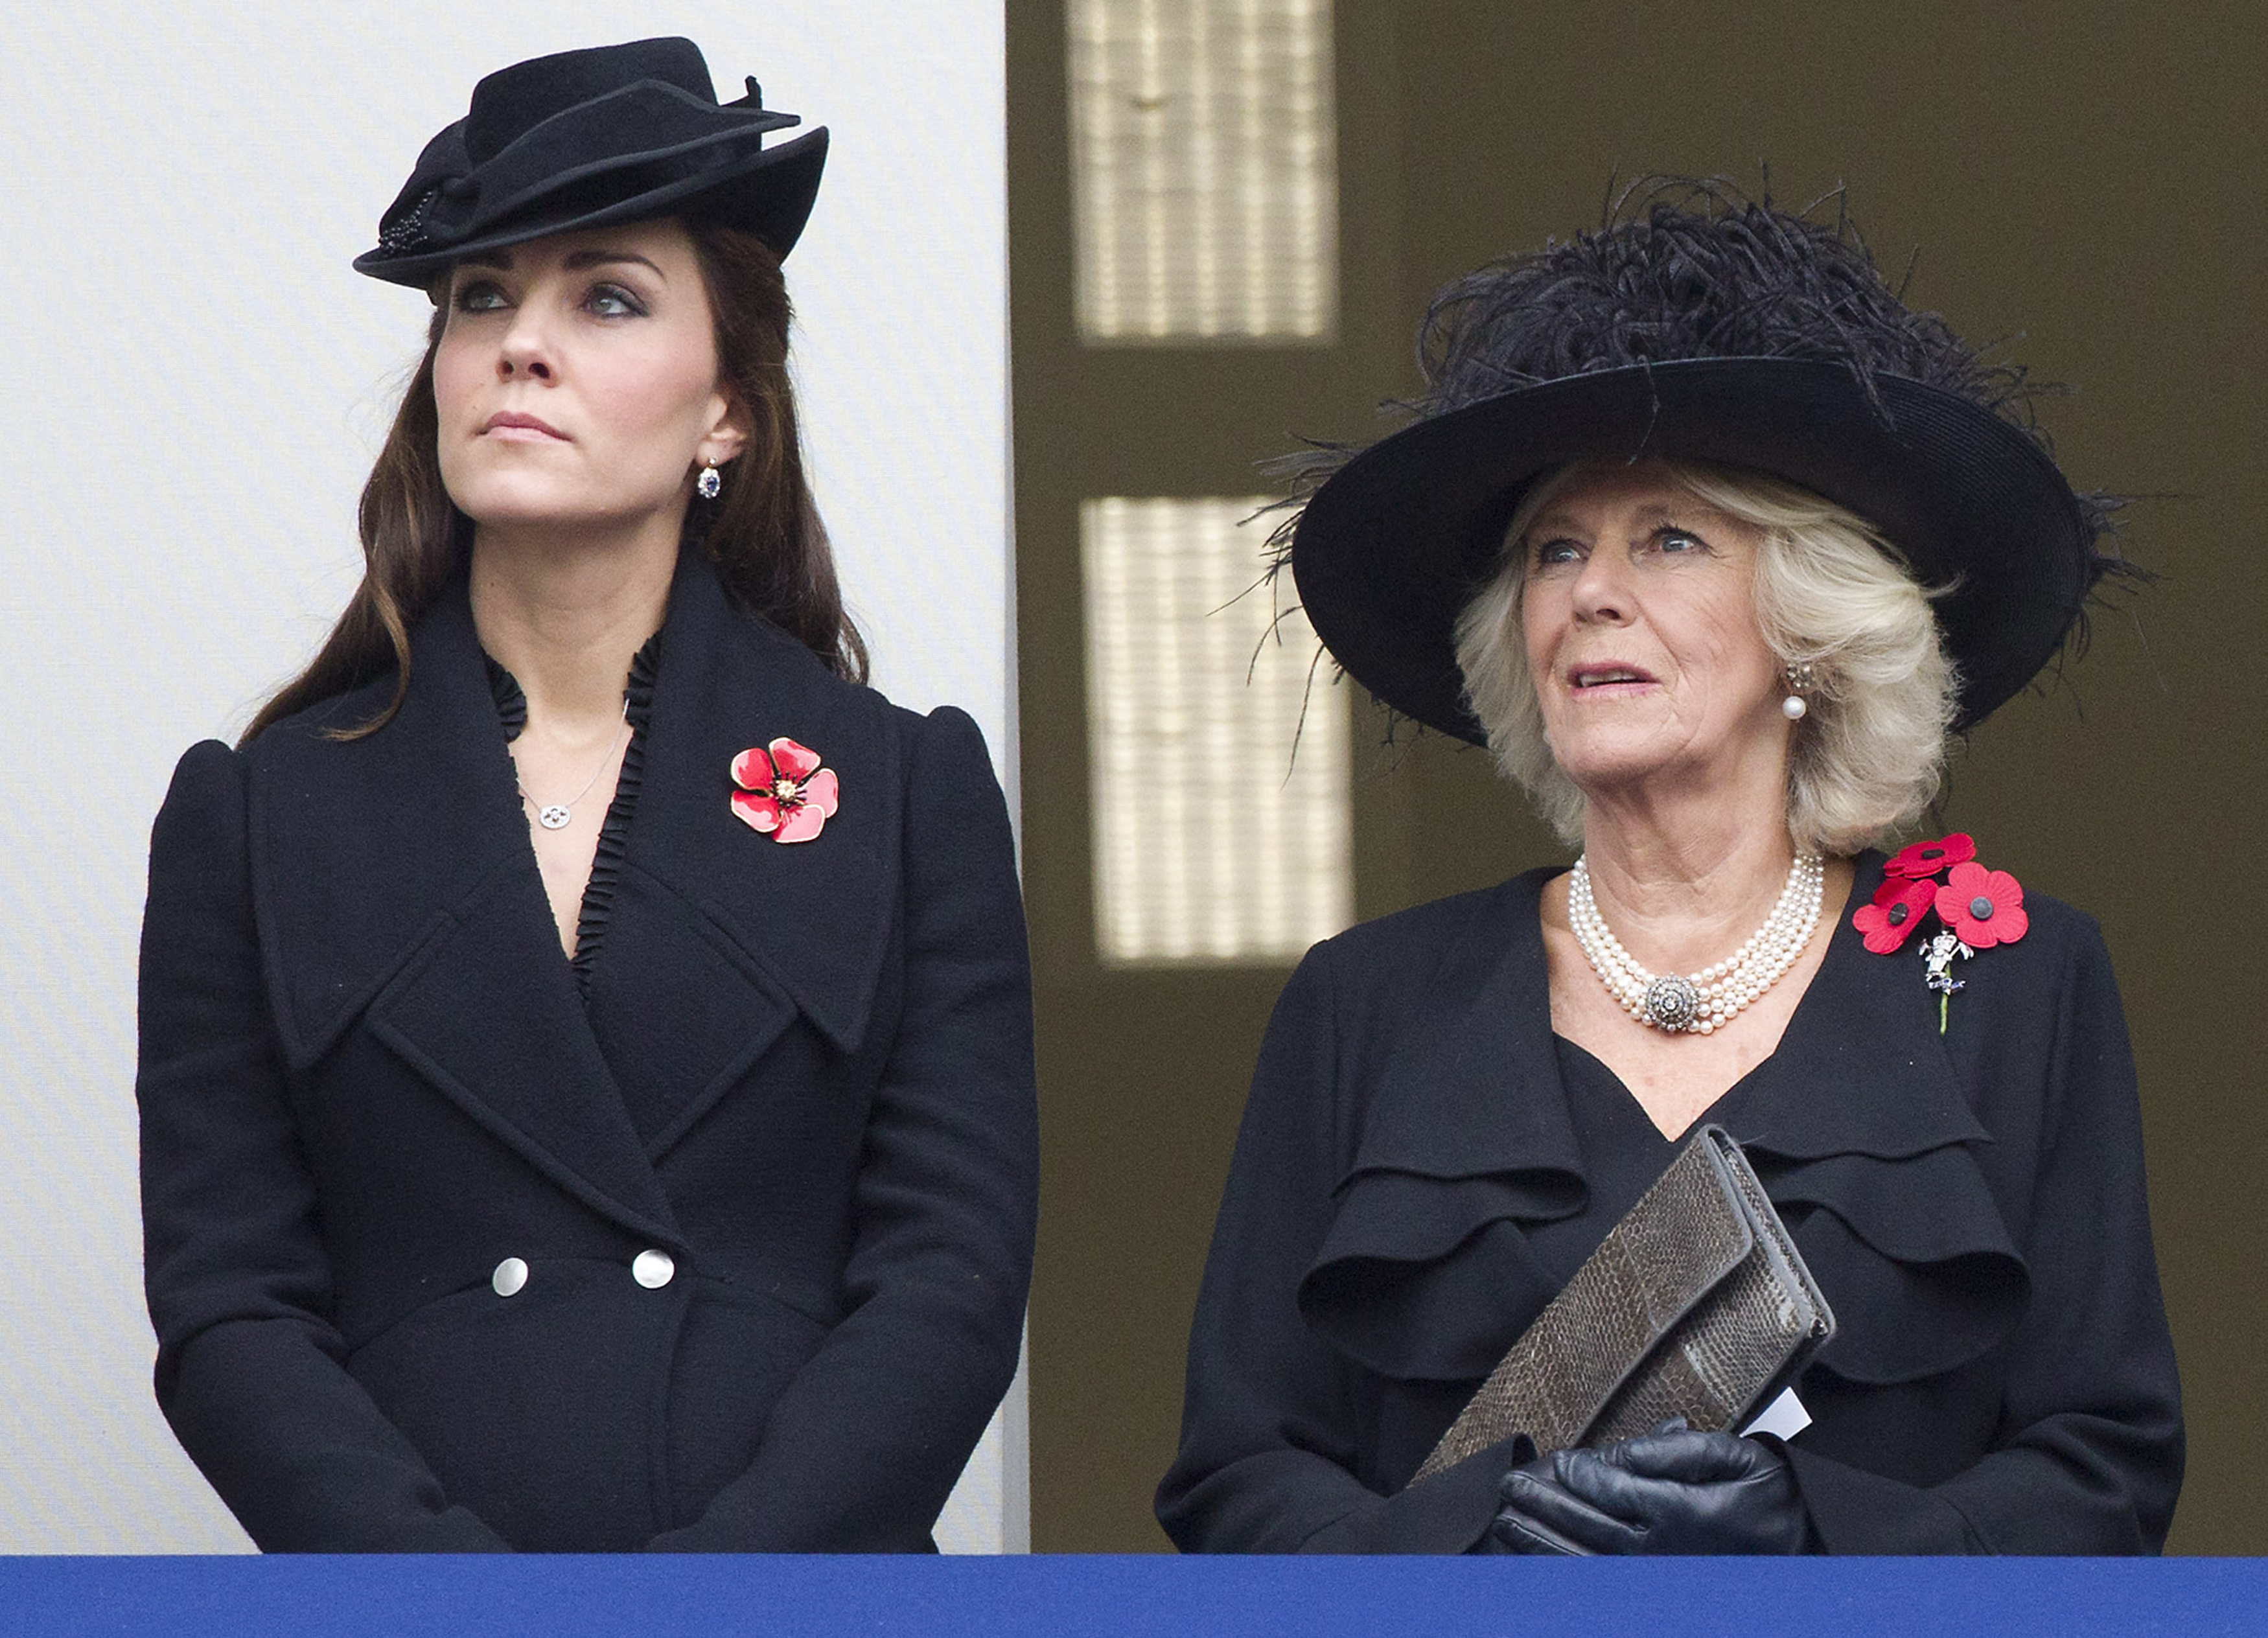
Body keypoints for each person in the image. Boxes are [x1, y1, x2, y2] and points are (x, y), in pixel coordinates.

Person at [1155, 181, 2181, 1554]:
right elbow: (1238, 1474)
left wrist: (1818, 1534)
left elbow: (2103, 1472)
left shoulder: (2018, 987)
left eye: (1670, 539)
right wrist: (1472, 1540)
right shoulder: (1364, 1007)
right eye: (1553, 549)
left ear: (1806, 625)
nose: (1589, 590)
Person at [136, 38, 1037, 1552]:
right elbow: (232, 1307)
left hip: (795, 1609)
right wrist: (463, 1608)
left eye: (605, 297)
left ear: (728, 412)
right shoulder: (256, 812)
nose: (518, 346)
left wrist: (711, 1602)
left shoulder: (902, 788)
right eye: (480, 297)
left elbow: (947, 1280)